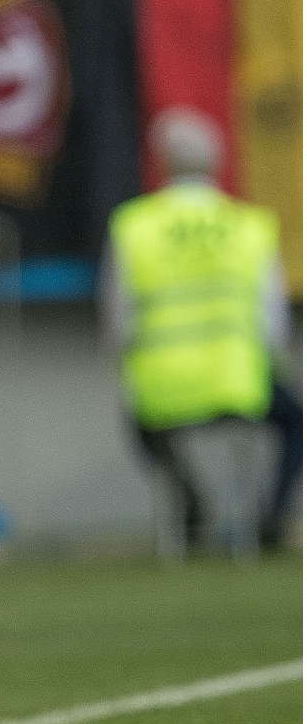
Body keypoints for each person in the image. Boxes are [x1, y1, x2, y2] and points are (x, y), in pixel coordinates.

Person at [104, 109, 299, 554]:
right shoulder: (249, 227)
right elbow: (272, 323)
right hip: (238, 386)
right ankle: (270, 519)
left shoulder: (134, 227)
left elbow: (118, 321)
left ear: (161, 163)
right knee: (297, 421)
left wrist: (130, 370)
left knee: (141, 424)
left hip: (162, 389)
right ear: (218, 162)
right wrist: (273, 368)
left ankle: (192, 507)